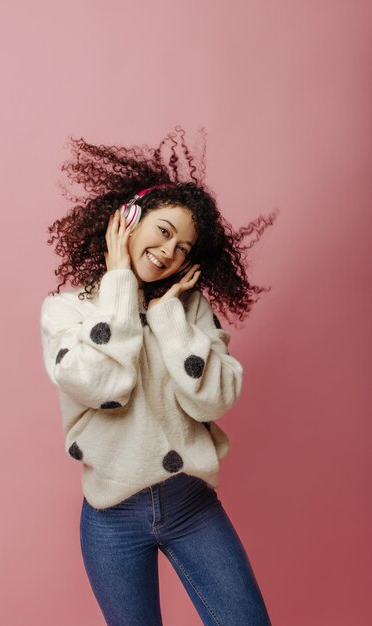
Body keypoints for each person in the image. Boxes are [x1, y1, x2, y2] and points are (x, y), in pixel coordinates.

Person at [40, 126, 277, 625]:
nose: (170, 252)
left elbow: (213, 400)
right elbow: (102, 385)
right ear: (129, 220)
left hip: (192, 505)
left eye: (184, 248)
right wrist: (121, 284)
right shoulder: (66, 311)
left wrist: (170, 318)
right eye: (164, 231)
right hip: (111, 519)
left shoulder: (189, 312)